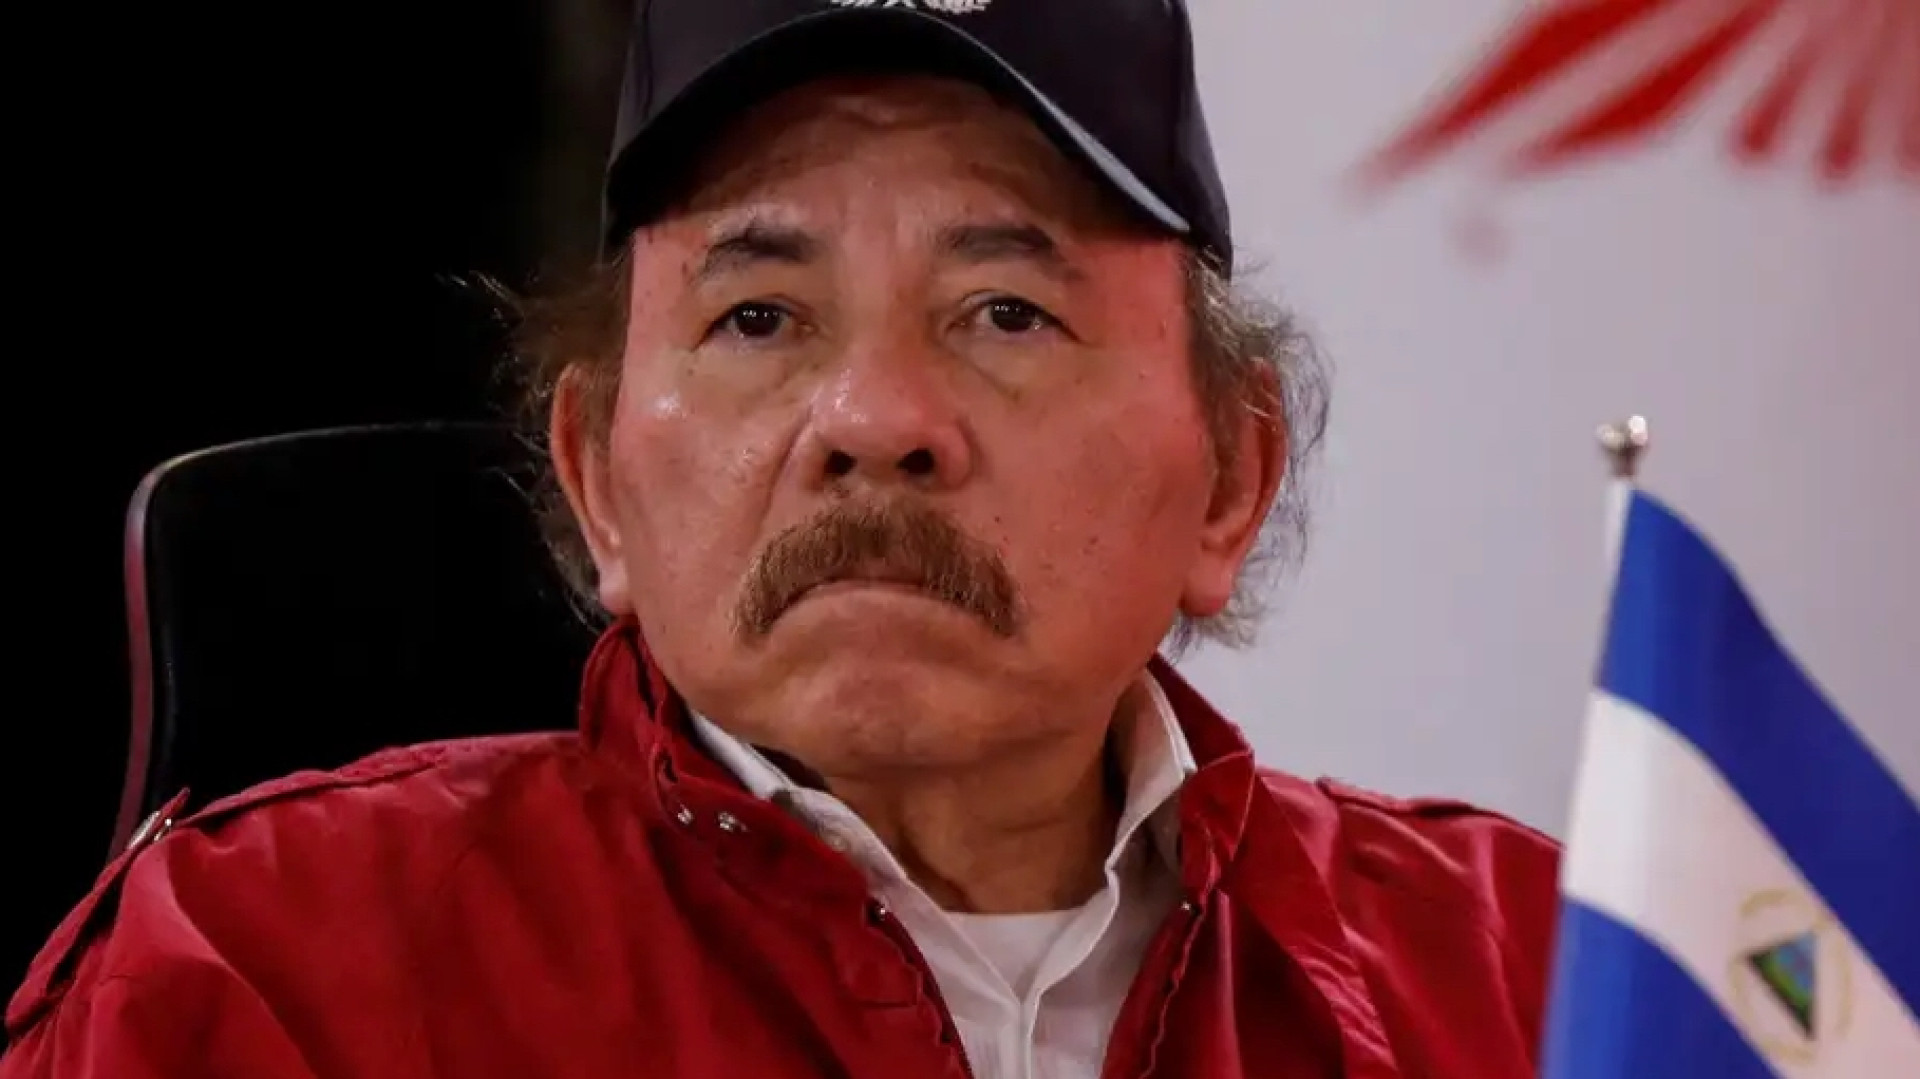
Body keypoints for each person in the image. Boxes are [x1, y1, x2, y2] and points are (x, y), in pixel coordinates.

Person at [3, 1, 1561, 1076]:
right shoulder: (263, 976)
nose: (875, 418)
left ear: (1232, 476)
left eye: (1005, 312)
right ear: (596, 482)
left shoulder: (1545, 982)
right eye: (759, 317)